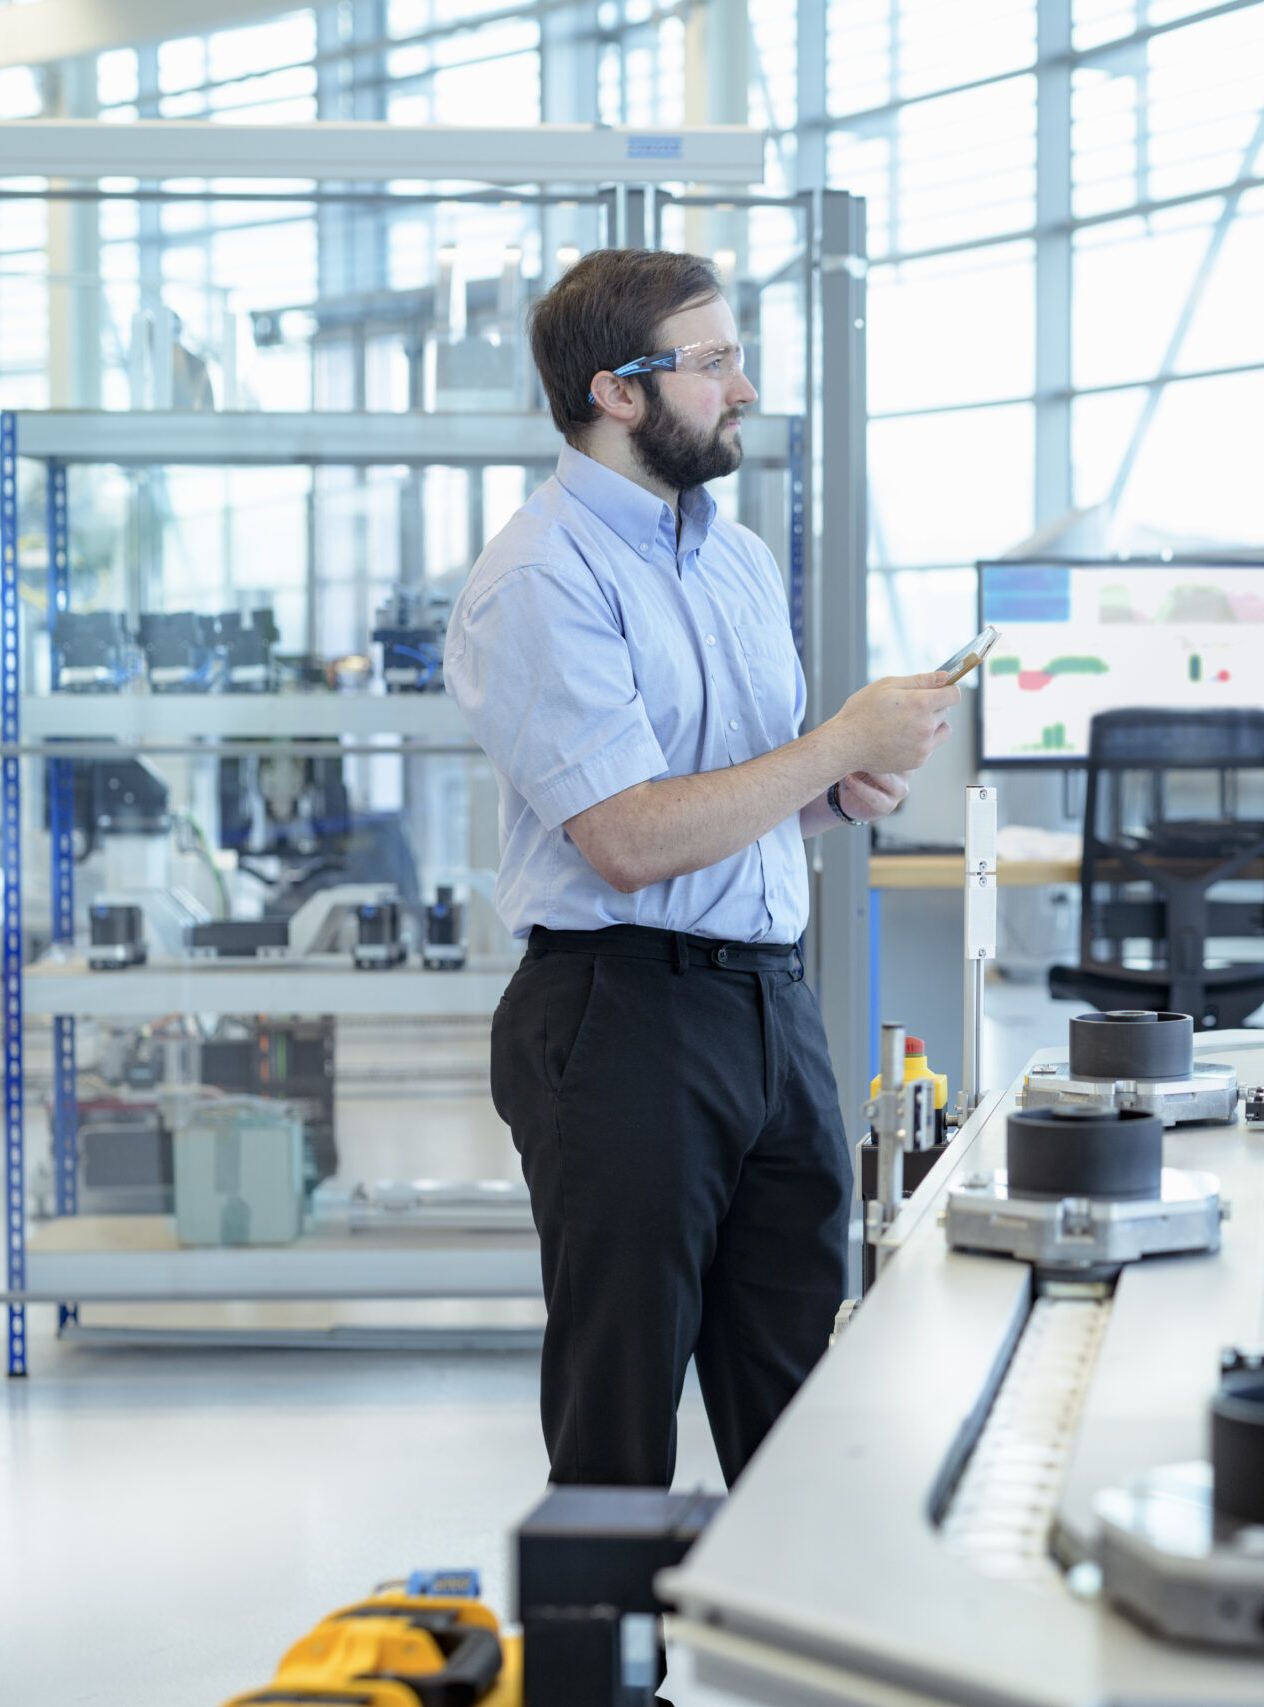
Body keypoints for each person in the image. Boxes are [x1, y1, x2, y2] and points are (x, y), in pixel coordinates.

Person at [446, 248, 959, 1488]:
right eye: (714, 361)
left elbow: (730, 799)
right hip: (622, 1018)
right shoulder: (540, 577)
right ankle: (612, 1625)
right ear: (617, 392)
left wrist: (836, 792)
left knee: (801, 1409)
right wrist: (834, 742)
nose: (744, 387)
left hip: (770, 1008)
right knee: (619, 1424)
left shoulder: (732, 558)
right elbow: (627, 839)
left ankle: (778, 1615)